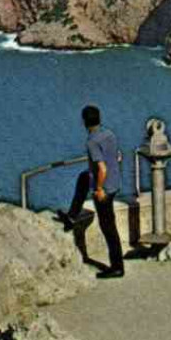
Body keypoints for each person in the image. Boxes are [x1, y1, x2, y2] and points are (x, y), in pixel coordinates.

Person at [72, 105, 125, 279]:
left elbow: (101, 168)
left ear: (84, 122)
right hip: (115, 182)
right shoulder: (109, 134)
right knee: (83, 178)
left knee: (108, 227)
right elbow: (117, 156)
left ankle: (117, 267)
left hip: (105, 187)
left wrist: (100, 189)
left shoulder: (92, 141)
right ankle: (72, 215)